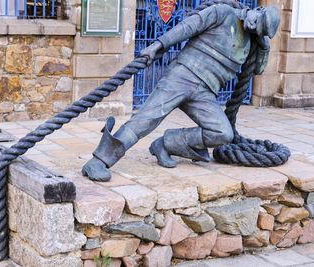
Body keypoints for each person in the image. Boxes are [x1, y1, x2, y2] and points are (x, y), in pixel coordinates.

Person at [82, 0, 280, 181]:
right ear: (258, 10)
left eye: (260, 29)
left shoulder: (252, 42)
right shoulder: (222, 12)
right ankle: (97, 162)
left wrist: (264, 45)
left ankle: (166, 144)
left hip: (205, 92)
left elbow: (258, 70)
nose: (254, 26)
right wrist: (158, 45)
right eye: (258, 21)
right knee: (146, 119)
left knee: (222, 133)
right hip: (183, 75)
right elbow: (186, 27)